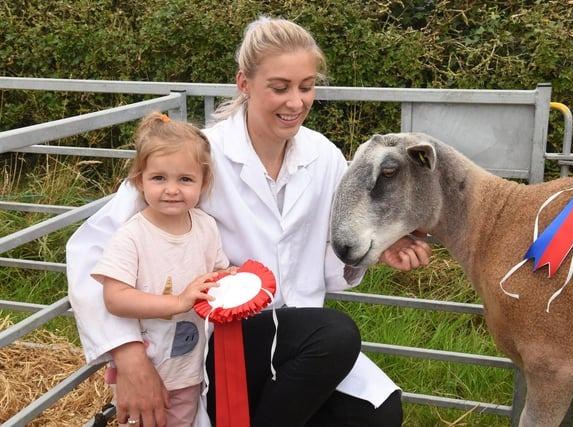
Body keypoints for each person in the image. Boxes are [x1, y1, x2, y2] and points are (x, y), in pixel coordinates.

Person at [66, 16, 431, 427]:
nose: (296, 102)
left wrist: (378, 249)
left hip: (298, 347)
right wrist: (128, 354)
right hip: (222, 346)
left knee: (380, 414)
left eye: (306, 87)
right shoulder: (198, 158)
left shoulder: (323, 156)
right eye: (279, 88)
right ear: (244, 84)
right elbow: (91, 249)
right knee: (337, 334)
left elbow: (332, 260)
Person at [90, 112, 234, 426]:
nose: (172, 189)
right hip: (147, 367)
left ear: (203, 182)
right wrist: (178, 302)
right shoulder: (132, 235)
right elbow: (115, 297)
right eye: (159, 178)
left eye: (185, 179)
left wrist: (234, 280)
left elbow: (217, 273)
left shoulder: (206, 227)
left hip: (188, 367)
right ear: (139, 180)